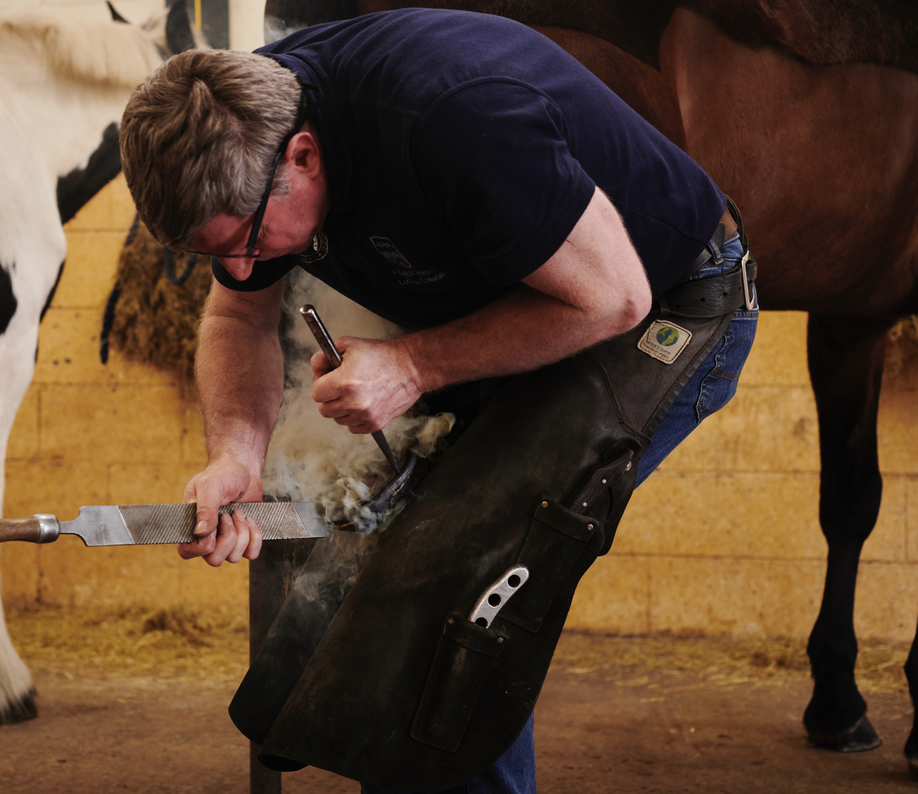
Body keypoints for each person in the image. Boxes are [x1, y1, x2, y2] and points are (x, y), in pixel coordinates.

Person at [119, 8, 758, 793]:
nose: (242, 265)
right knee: (396, 566)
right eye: (215, 253)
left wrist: (414, 366)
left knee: (464, 576)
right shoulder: (247, 129)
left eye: (246, 242)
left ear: (305, 155)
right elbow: (237, 313)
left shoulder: (454, 116)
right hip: (523, 300)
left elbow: (613, 299)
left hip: (664, 303)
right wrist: (235, 458)